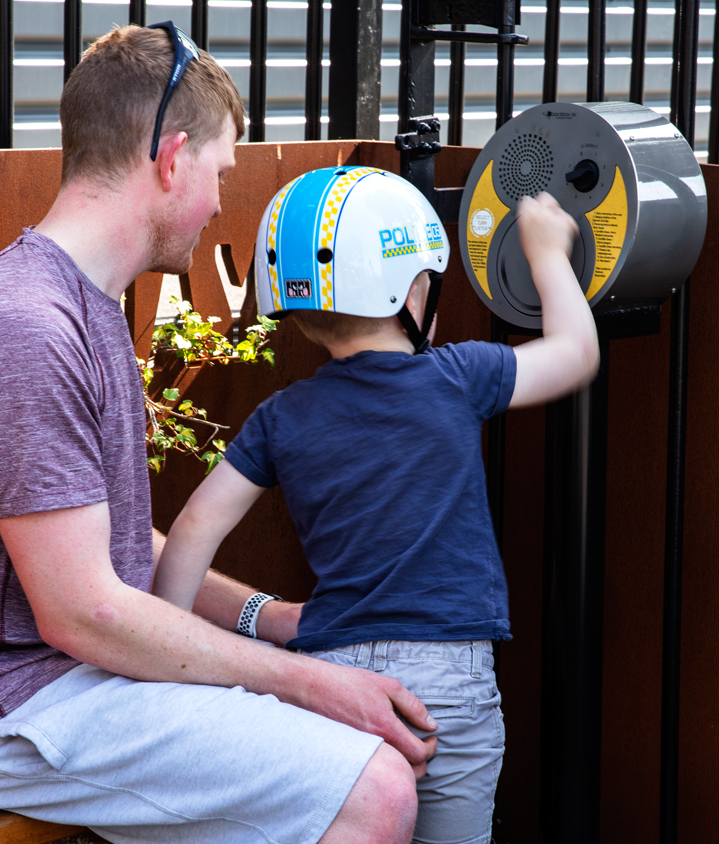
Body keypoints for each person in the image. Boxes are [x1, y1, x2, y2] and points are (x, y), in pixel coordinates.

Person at [0, 24, 439, 844]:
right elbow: (85, 612)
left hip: (70, 679)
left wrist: (270, 619)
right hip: (8, 704)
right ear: (172, 159)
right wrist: (305, 684)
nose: (219, 203)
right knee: (374, 791)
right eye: (219, 172)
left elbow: (101, 540)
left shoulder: (82, 304)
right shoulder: (27, 326)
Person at [152, 167, 600, 844]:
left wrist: (162, 645)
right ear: (413, 290)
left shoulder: (280, 418)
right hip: (449, 683)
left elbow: (192, 529)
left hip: (330, 680)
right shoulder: (458, 375)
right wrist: (545, 252)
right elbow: (575, 352)